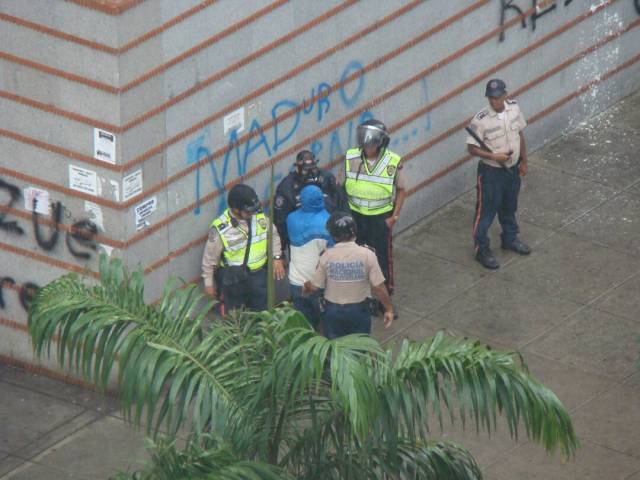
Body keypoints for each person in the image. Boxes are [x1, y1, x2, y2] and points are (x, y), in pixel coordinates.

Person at [337, 119, 406, 301]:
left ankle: (385, 298)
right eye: (364, 139)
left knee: (382, 259)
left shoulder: (393, 161)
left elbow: (401, 190)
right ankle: (362, 297)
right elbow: (340, 187)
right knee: (355, 257)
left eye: (372, 140)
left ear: (381, 141)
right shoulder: (350, 157)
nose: (367, 144)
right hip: (355, 216)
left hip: (379, 218)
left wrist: (394, 217)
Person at [466, 78, 531, 270]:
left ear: (505, 95)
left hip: (512, 169)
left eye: (497, 98)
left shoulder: (514, 109)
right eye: (490, 98)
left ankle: (510, 238)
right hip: (491, 173)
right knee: (485, 212)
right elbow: (471, 149)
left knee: (509, 206)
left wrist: (524, 161)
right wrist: (493, 156)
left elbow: (520, 135)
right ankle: (482, 249)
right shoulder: (481, 120)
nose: (493, 101)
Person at [303, 211, 393, 339]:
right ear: (354, 231)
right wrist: (388, 309)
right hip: (359, 311)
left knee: (335, 350)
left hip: (333, 312)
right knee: (359, 348)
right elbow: (378, 287)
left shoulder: (327, 256)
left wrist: (305, 286)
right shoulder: (367, 255)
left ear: (333, 235)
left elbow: (314, 287)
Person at [201, 184, 286, 312]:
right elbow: (209, 260)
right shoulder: (221, 229)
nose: (252, 213)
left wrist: (277, 257)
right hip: (234, 280)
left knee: (261, 314)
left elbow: (273, 235)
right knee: (236, 319)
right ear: (235, 209)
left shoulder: (259, 216)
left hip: (259, 277)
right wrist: (208, 284)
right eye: (248, 211)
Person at [273, 150, 344, 250]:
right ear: (297, 168)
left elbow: (341, 204)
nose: (310, 174)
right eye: (305, 170)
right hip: (301, 242)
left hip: (328, 238)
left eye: (313, 169)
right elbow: (280, 221)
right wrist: (281, 251)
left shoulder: (327, 179)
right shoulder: (286, 187)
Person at [286, 185, 334, 329]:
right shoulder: (328, 223)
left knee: (304, 326)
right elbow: (332, 254)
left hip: (296, 281)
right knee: (325, 324)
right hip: (318, 284)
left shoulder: (291, 219)